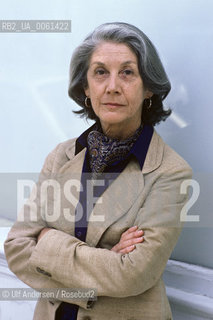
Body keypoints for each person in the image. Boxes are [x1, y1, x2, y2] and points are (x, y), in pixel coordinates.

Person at [4, 22, 192, 320]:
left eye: (127, 72)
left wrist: (48, 241)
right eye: (100, 72)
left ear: (149, 90)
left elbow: (133, 274)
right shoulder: (61, 156)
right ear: (86, 88)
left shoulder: (171, 173)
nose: (113, 86)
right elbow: (16, 247)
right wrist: (107, 259)